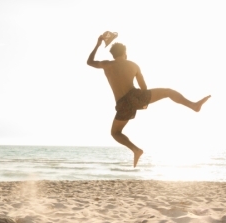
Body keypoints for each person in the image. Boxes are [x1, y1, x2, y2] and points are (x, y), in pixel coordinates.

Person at [87, 35, 211, 168]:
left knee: (115, 133)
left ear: (113, 55)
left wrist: (98, 43)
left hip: (123, 104)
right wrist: (142, 101)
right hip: (136, 96)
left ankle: (136, 150)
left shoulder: (107, 64)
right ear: (125, 53)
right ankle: (193, 105)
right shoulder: (133, 65)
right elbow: (144, 88)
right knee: (167, 92)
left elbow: (89, 62)